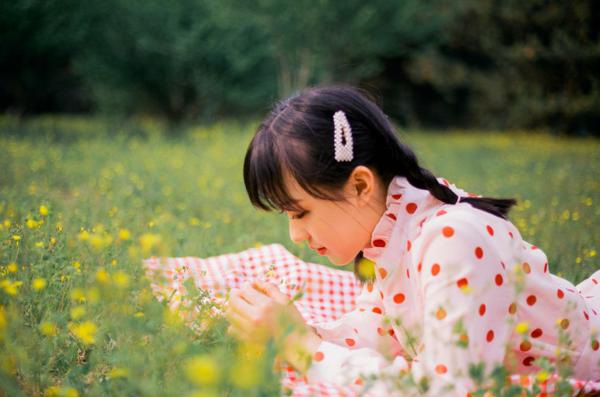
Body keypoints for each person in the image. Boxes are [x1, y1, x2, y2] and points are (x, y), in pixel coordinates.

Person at [224, 85, 600, 395]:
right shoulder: (390, 228)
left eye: (299, 212)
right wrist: (294, 331)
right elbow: (388, 331)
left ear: (359, 185)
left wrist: (304, 348)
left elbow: (450, 390)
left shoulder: (451, 240)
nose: (295, 235)